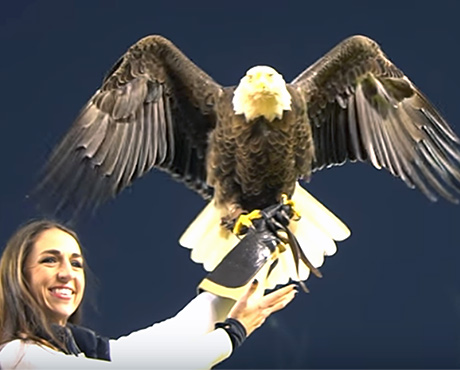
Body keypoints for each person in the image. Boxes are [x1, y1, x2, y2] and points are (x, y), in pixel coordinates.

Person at [0, 219, 297, 369]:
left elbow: (169, 338)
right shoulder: (17, 358)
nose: (67, 273)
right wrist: (232, 333)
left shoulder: (78, 347)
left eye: (76, 263)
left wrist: (258, 249)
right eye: (49, 260)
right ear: (19, 275)